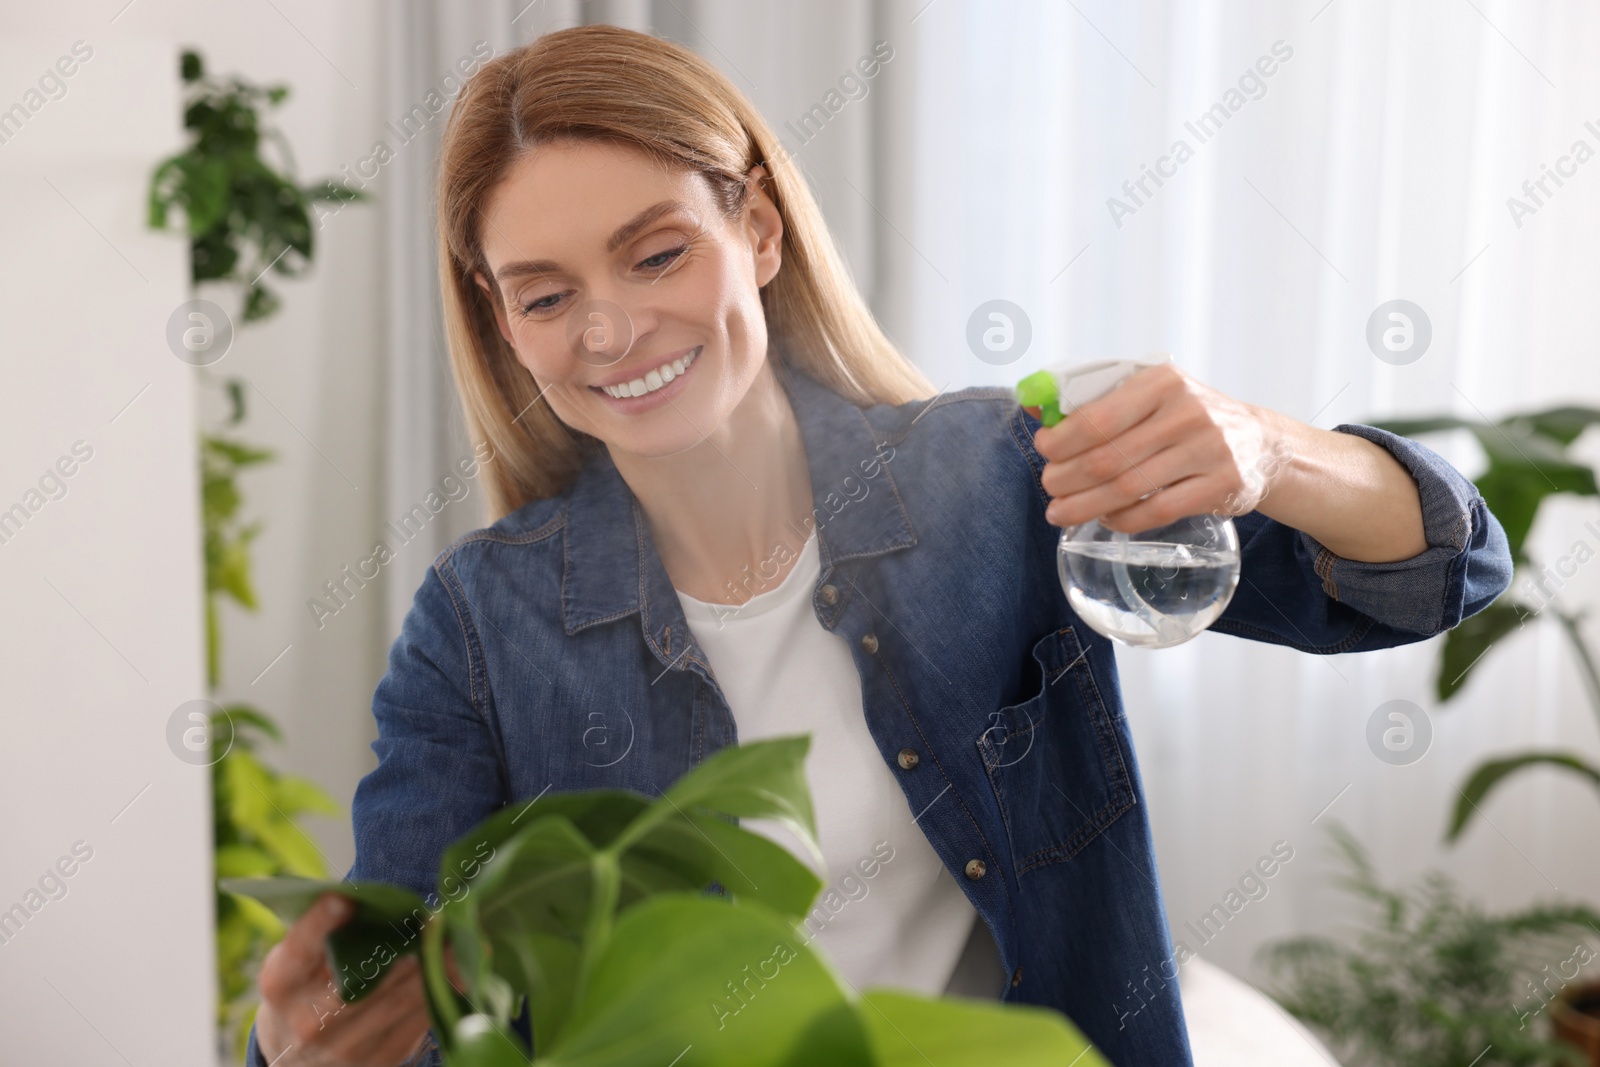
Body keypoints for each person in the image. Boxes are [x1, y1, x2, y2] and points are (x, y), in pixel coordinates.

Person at [247, 24, 1512, 1067]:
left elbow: (1436, 572)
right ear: (503, 322)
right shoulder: (479, 622)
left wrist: (1270, 452)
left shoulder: (996, 480)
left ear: (757, 228)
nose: (611, 329)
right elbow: (392, 965)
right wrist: (304, 1030)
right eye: (546, 293)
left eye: (656, 252)